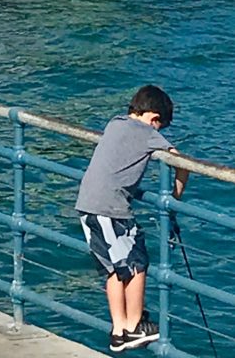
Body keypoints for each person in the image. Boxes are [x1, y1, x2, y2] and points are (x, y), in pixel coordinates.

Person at [75, 84, 188, 352]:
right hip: (111, 208)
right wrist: (175, 197)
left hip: (87, 204)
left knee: (113, 268)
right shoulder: (147, 133)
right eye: (160, 126)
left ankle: (119, 330)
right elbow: (181, 163)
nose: (158, 132)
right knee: (137, 262)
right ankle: (135, 326)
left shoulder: (115, 123)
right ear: (154, 118)